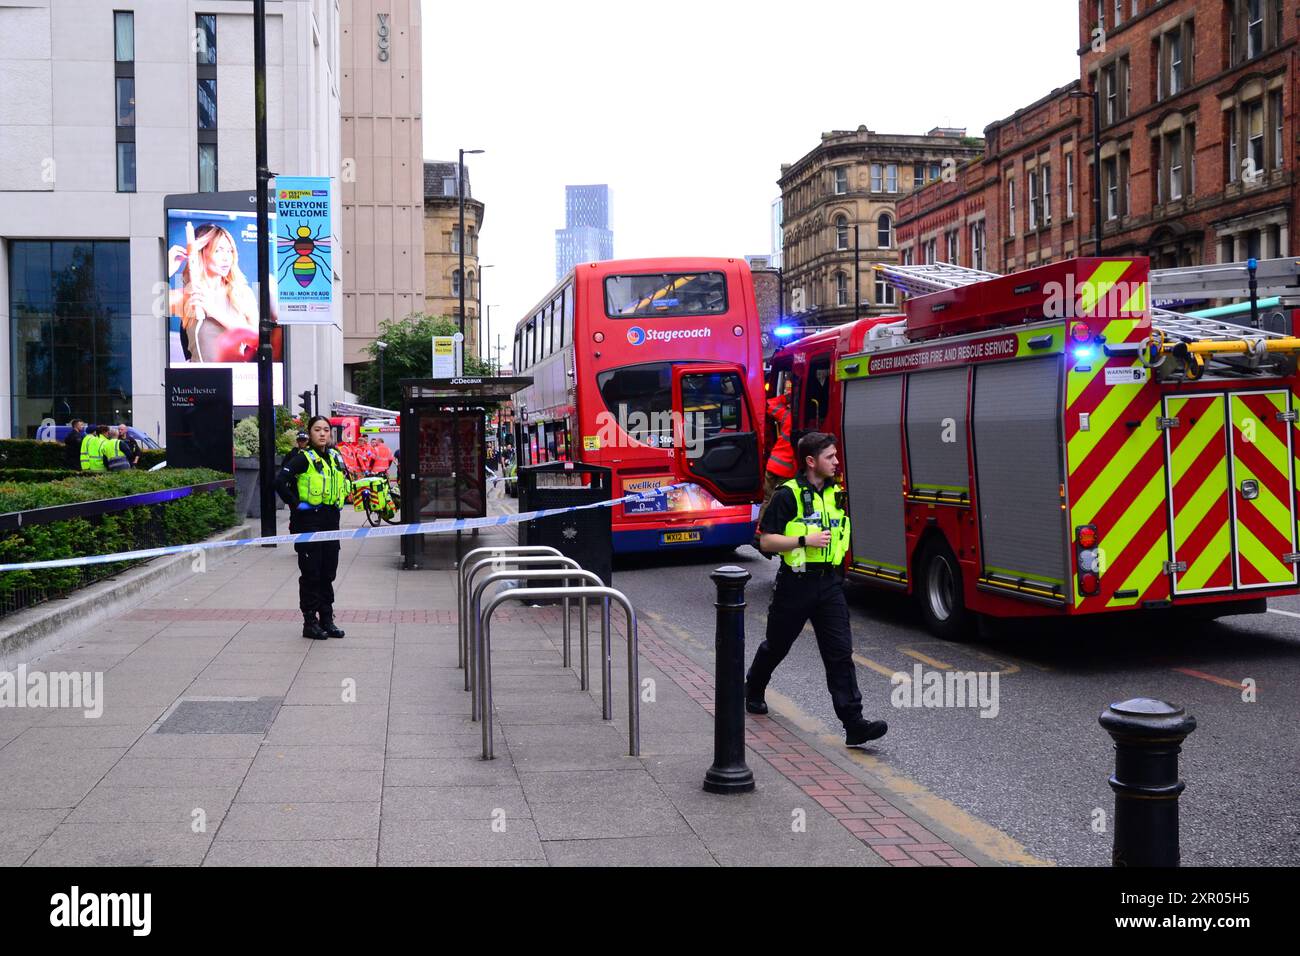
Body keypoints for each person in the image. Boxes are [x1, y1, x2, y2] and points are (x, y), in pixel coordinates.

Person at [746, 431, 888, 749]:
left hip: (830, 585)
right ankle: (753, 687)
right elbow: (766, 541)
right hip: (795, 584)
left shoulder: (837, 494)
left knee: (840, 655)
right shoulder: (788, 494)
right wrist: (803, 541)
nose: (837, 462)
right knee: (777, 645)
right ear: (811, 462)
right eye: (830, 457)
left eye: (836, 456)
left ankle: (854, 724)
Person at [275, 415, 353, 640]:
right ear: (309, 434)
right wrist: (296, 503)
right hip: (309, 521)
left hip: (331, 521)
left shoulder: (335, 457)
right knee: (311, 573)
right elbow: (279, 482)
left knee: (328, 572)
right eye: (317, 429)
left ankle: (327, 619)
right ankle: (310, 622)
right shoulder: (303, 458)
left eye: (326, 430)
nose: (322, 433)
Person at [167, 223, 259, 363]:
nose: (226, 258)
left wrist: (214, 311)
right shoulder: (188, 296)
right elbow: (141, 306)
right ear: (201, 253)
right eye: (219, 250)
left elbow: (257, 340)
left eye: (230, 251)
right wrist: (165, 270)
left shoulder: (242, 293)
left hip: (238, 380)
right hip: (200, 381)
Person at [755, 378, 797, 544]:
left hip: (772, 465)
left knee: (767, 500)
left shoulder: (786, 416)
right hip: (785, 470)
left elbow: (770, 403)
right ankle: (773, 534)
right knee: (779, 501)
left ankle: (759, 531)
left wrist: (788, 397)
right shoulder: (798, 420)